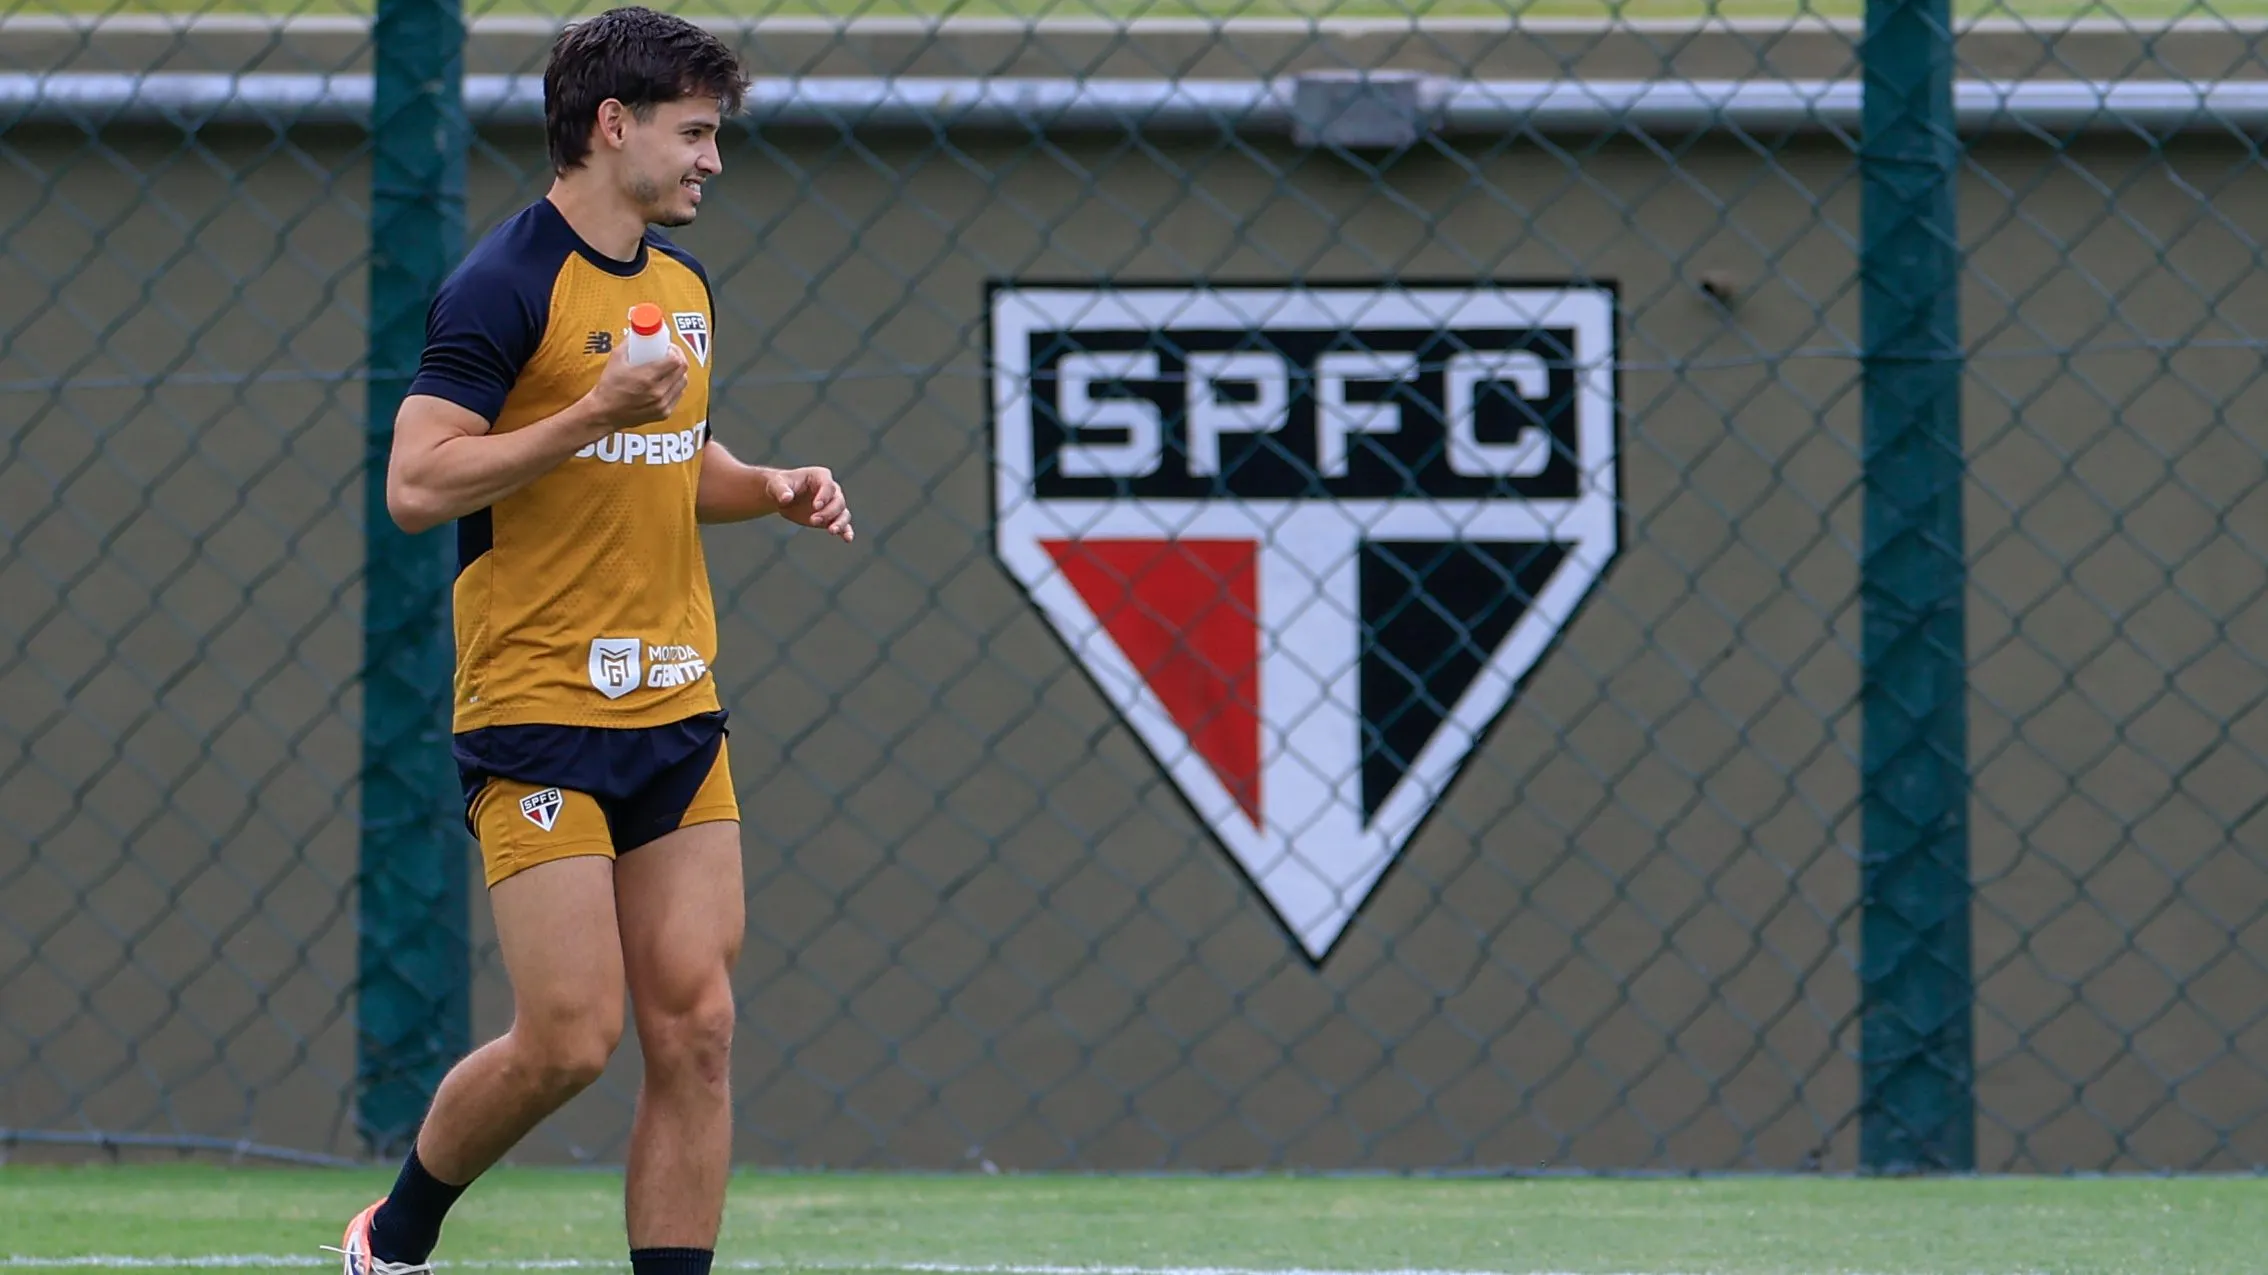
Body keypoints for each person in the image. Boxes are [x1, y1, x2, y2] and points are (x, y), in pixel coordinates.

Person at [335, 10, 851, 1275]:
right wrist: (586, 411)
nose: (712, 159)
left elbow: (673, 458)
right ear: (612, 126)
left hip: (674, 707)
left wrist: (770, 486)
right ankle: (393, 1237)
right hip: (538, 711)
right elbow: (417, 484)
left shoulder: (683, 289)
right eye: (694, 132)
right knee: (570, 1038)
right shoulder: (504, 284)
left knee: (700, 1030)